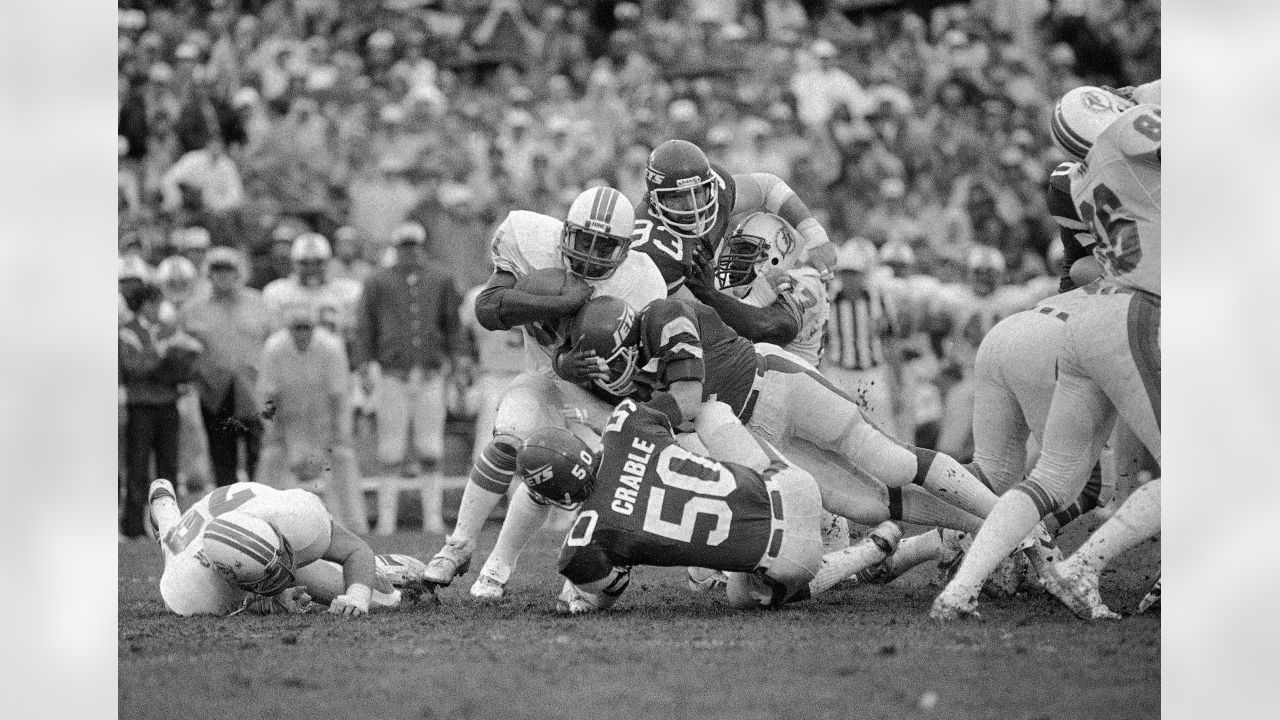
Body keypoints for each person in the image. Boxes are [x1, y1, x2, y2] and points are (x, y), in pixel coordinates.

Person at [933, 100, 1161, 621]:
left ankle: (959, 589)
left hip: (1085, 321)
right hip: (1137, 312)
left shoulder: (1078, 182)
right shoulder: (1133, 148)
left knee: (1053, 477)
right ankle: (1081, 566)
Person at [422, 186, 667, 597]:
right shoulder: (531, 237)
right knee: (507, 443)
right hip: (544, 378)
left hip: (601, 398)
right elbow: (488, 309)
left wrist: (599, 374)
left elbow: (646, 382)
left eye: (603, 245)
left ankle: (501, 570)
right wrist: (559, 310)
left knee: (572, 475)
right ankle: (459, 545)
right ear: (564, 231)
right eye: (582, 239)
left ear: (626, 249)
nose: (589, 253)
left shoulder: (643, 282)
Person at [538, 394, 902, 612]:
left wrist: (581, 595)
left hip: (790, 556)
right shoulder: (625, 423)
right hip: (793, 484)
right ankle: (839, 497)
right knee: (711, 412)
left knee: (742, 597)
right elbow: (678, 412)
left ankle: (865, 554)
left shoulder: (581, 545)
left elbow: (608, 595)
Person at [147, 479, 410, 617]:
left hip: (247, 507)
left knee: (381, 599)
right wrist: (265, 603)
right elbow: (235, 599)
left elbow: (356, 549)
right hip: (195, 541)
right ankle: (163, 502)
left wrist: (358, 597)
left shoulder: (295, 518)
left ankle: (162, 497)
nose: (283, 571)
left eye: (281, 555)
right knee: (171, 538)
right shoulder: (192, 588)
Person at [352, 221, 464, 535]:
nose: (409, 251)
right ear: (396, 247)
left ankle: (433, 518)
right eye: (404, 245)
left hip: (429, 373)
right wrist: (363, 365)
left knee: (431, 448)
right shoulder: (378, 280)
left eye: (413, 245)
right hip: (392, 374)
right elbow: (365, 326)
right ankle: (387, 522)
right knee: (390, 450)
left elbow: (452, 325)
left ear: (421, 245)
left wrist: (459, 360)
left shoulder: (440, 278)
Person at [632, 139, 836, 299]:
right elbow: (705, 324)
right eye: (677, 196)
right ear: (655, 198)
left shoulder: (717, 194)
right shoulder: (653, 249)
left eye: (697, 192)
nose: (691, 205)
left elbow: (768, 186)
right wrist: (760, 298)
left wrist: (814, 235)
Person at [255, 303, 368, 535]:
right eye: (296, 328)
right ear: (288, 329)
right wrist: (273, 434)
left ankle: (353, 527)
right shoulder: (274, 348)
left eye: (306, 328)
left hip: (325, 424)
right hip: (287, 425)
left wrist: (338, 436)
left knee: (343, 457)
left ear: (314, 327)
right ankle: (261, 526)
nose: (302, 334)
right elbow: (267, 398)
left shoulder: (331, 347)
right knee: (270, 458)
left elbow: (340, 398)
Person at [119, 282, 204, 540]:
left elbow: (187, 360)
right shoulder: (127, 333)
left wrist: (173, 367)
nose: (158, 308)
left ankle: (170, 525)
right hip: (142, 406)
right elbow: (136, 368)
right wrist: (163, 354)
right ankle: (133, 525)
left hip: (167, 404)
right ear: (142, 305)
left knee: (169, 466)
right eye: (153, 303)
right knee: (139, 466)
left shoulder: (168, 330)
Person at [181, 246, 271, 488]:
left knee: (259, 458)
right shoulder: (192, 309)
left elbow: (272, 343)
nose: (223, 275)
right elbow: (184, 352)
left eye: (228, 269)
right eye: (216, 270)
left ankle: (261, 513)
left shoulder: (258, 302)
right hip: (214, 394)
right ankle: (228, 515)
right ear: (208, 275)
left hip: (252, 392)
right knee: (222, 459)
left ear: (238, 273)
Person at [821, 238, 900, 436]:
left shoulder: (879, 299)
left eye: (854, 273)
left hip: (872, 373)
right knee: (837, 432)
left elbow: (890, 342)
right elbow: (822, 342)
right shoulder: (829, 300)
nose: (849, 279)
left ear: (863, 274)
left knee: (883, 432)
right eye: (845, 273)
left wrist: (897, 382)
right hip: (839, 373)